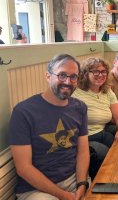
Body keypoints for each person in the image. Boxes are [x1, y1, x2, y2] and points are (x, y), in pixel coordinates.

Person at [9, 54, 89, 199]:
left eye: (73, 77)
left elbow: (83, 152)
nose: (68, 81)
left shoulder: (80, 108)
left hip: (73, 181)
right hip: (36, 189)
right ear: (48, 76)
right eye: (62, 75)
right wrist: (63, 195)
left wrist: (82, 184)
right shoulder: (23, 112)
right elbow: (23, 168)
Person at [72, 57, 118, 179]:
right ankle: (100, 187)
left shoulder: (107, 91)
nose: (100, 75)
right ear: (86, 73)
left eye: (103, 72)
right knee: (106, 155)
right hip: (85, 137)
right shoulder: (76, 92)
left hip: (102, 131)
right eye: (95, 71)